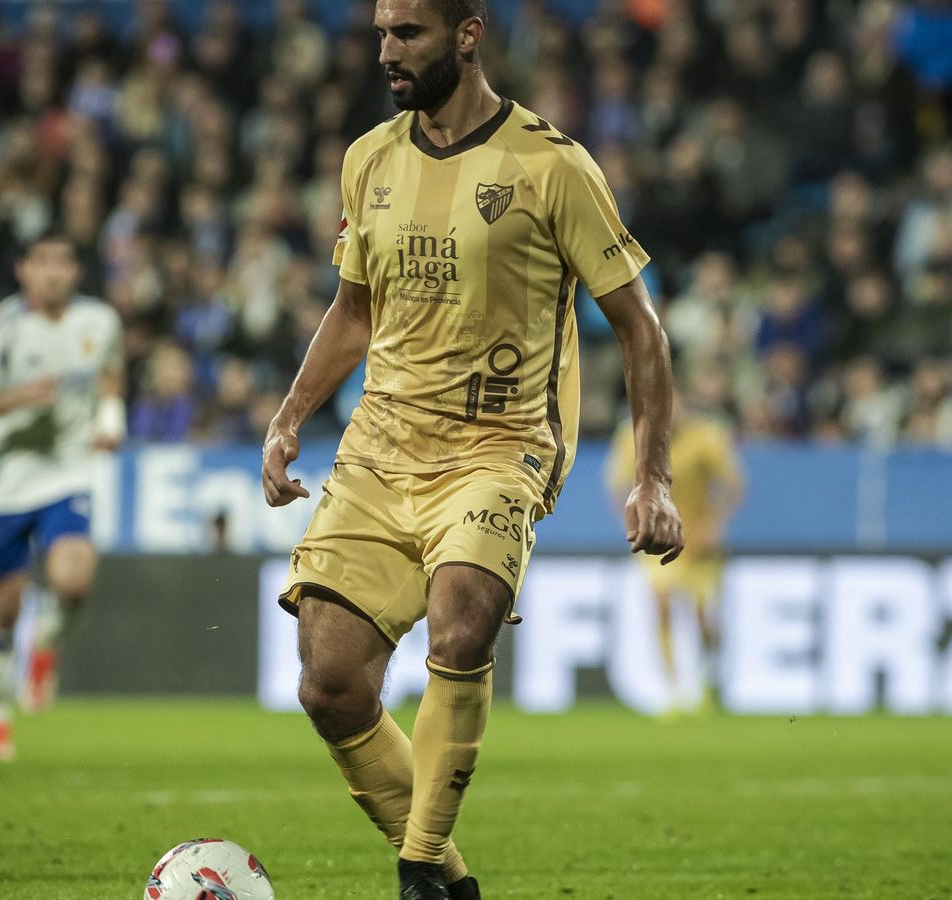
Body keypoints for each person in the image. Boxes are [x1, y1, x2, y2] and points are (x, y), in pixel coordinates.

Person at [259, 2, 683, 897]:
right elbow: (355, 311)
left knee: (460, 624)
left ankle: (415, 871)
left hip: (501, 443)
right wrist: (291, 414)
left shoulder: (551, 165)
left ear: (466, 32)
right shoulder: (367, 160)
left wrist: (653, 479)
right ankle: (449, 876)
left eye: (407, 33)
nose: (387, 53)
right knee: (329, 685)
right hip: (381, 445)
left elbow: (641, 330)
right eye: (380, 33)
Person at [0, 233, 124, 763]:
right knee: (4, 609)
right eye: (41, 263)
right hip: (8, 479)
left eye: (62, 262)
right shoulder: (2, 329)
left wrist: (110, 419)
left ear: (75, 271)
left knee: (73, 581)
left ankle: (46, 640)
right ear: (23, 269)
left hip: (68, 473)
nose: (52, 273)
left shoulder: (99, 323)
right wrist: (18, 397)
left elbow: (110, 379)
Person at [606, 389, 744, 714]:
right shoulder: (634, 437)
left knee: (702, 617)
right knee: (663, 606)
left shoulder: (707, 437)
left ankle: (710, 675)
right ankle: (674, 691)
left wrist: (714, 523)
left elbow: (734, 485)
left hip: (699, 542)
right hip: (659, 537)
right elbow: (618, 485)